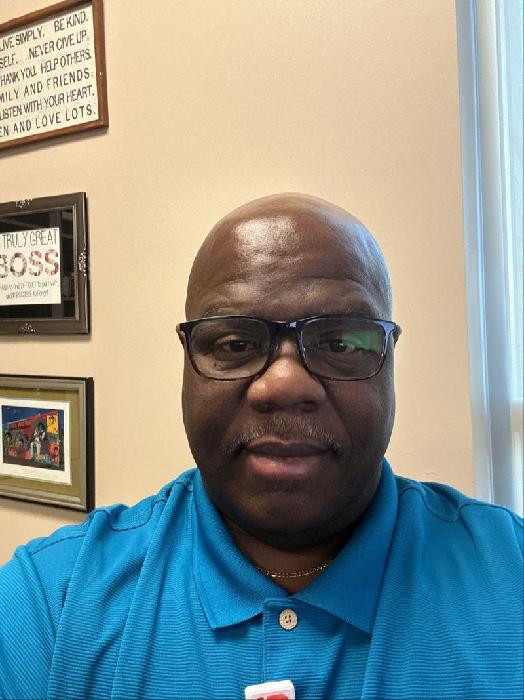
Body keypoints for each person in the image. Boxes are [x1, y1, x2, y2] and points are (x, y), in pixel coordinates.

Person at [0, 193, 522, 700]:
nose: (284, 384)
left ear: (389, 357)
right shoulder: (47, 603)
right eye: (235, 343)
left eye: (340, 342)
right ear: (187, 361)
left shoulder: (511, 573)